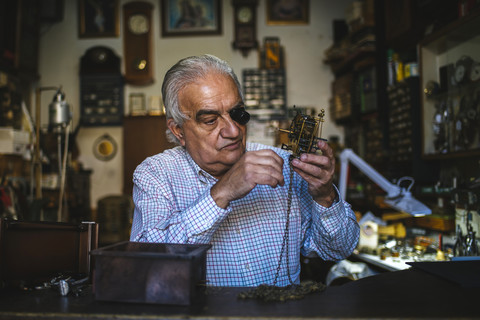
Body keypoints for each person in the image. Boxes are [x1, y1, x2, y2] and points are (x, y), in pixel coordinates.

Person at [130, 54, 359, 287]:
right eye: (210, 120)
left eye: (237, 113)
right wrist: (222, 193)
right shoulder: (155, 175)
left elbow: (339, 250)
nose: (233, 130)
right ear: (178, 130)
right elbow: (148, 267)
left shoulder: (284, 166)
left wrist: (325, 197)